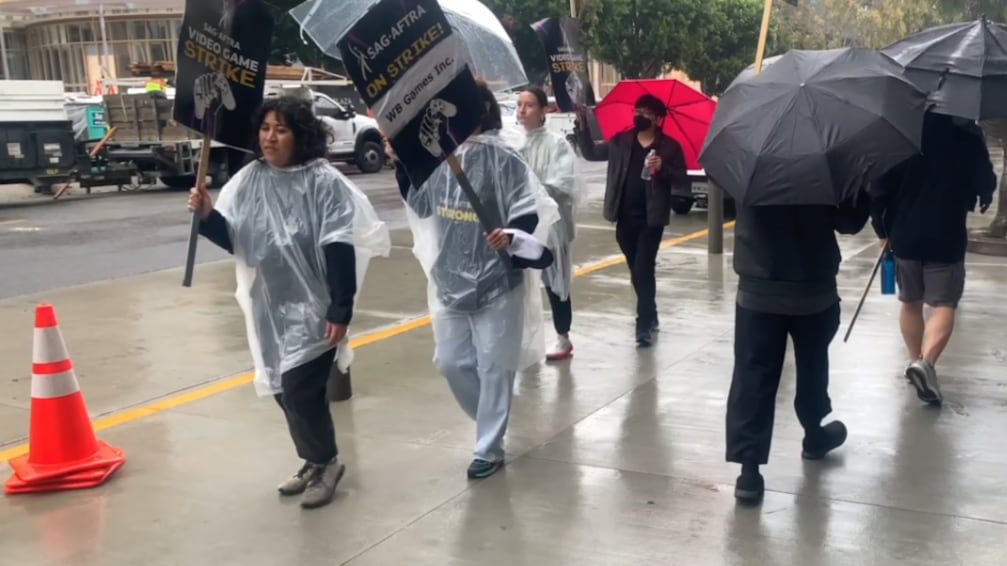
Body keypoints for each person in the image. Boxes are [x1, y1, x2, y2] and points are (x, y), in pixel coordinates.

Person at [187, 96, 390, 509]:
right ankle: (313, 459)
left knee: (300, 389)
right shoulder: (251, 179)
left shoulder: (324, 182)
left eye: (281, 129)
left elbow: (338, 244)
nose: (270, 137)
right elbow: (237, 239)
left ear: (300, 135)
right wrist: (207, 215)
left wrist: (341, 307)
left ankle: (327, 462)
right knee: (282, 387)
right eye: (265, 128)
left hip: (314, 305)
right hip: (270, 305)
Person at [390, 79, 558, 479]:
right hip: (450, 276)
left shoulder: (505, 159)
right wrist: (402, 164)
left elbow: (526, 211)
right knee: (450, 361)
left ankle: (488, 448)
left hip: (498, 279)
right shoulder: (440, 158)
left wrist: (510, 234)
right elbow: (421, 204)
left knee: (495, 365)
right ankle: (490, 418)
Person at [726, 191, 870, 503]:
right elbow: (848, 222)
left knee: (753, 374)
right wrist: (860, 192)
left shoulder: (747, 165)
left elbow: (726, 192)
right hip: (813, 286)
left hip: (758, 286)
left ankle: (749, 471)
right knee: (812, 363)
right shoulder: (826, 167)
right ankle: (814, 434)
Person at [870, 112, 997, 405]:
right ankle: (926, 364)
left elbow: (878, 188)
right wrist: (982, 195)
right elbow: (985, 180)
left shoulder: (899, 134)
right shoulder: (967, 133)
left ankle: (915, 359)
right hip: (946, 233)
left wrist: (881, 229)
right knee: (943, 304)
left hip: (904, 233)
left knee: (910, 301)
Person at [573, 94, 688, 346]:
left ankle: (643, 324)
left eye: (645, 112)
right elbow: (591, 152)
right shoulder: (621, 141)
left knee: (643, 270)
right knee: (637, 272)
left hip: (651, 219)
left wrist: (663, 168)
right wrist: (582, 124)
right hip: (624, 217)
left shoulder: (669, 147)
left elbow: (682, 180)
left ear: (658, 118)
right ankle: (651, 312)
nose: (639, 116)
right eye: (637, 110)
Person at [516, 86, 579, 361]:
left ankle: (563, 336)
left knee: (555, 283)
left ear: (544, 110)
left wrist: (533, 186)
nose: (522, 110)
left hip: (552, 226)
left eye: (529, 105)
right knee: (520, 285)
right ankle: (525, 337)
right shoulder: (513, 143)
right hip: (521, 224)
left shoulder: (557, 144)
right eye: (519, 104)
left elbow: (564, 185)